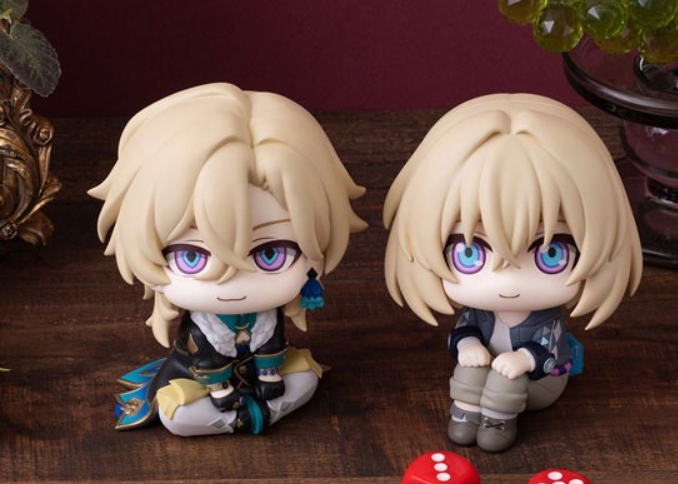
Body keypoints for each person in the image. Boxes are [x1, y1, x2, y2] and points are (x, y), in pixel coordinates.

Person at [91, 83, 366, 436]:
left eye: (270, 254)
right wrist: (220, 390)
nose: (234, 284)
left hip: (262, 374)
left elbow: (273, 345)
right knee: (178, 413)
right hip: (201, 379)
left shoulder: (268, 317)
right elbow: (203, 359)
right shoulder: (201, 328)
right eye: (192, 257)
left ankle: (258, 412)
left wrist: (269, 375)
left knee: (306, 377)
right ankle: (242, 416)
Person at [383, 93, 641, 452]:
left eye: (550, 253)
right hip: (486, 377)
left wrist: (523, 359)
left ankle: (498, 422)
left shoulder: (545, 320)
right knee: (470, 368)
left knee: (506, 380)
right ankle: (466, 413)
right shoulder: (478, 312)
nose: (507, 281)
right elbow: (464, 332)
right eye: (470, 253)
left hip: (538, 384)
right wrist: (469, 345)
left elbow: (550, 351)